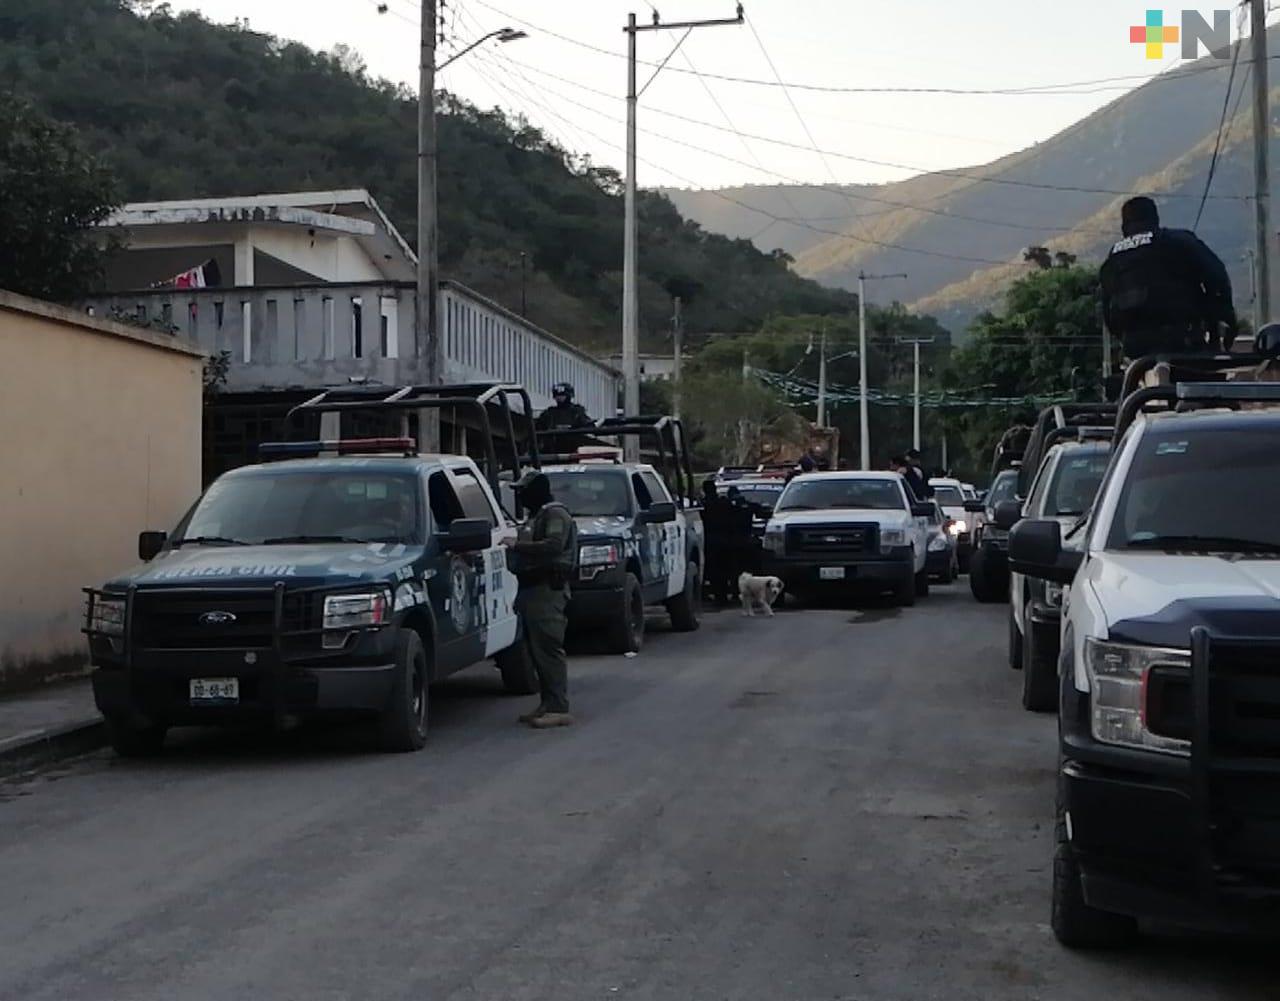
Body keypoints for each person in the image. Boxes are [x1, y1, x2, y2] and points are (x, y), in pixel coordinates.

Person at [1099, 196, 1237, 360]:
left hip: (1137, 353)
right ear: (1156, 219)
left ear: (1124, 227)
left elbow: (1108, 313)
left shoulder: (1112, 260)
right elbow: (1217, 275)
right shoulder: (1178, 241)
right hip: (1184, 346)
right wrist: (1226, 320)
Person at [503, 471, 578, 729]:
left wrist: (517, 546)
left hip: (548, 588)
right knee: (536, 650)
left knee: (548, 648)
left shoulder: (555, 514)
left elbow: (553, 546)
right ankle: (547, 703)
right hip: (531, 589)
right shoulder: (537, 516)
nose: (520, 497)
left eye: (524, 491)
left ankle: (558, 707)